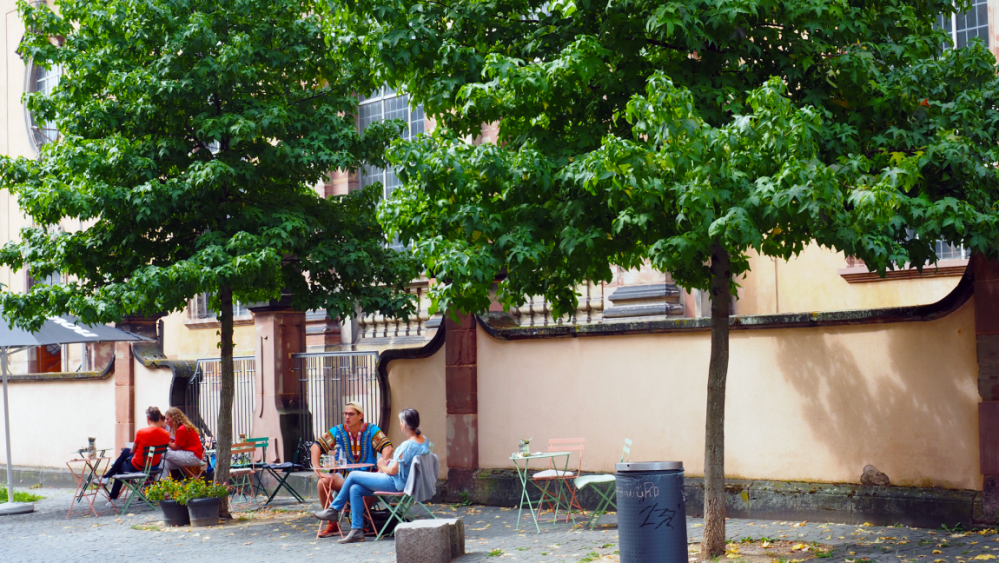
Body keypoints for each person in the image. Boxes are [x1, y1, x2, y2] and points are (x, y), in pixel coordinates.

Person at [317, 408, 431, 544]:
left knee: (353, 475)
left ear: (404, 424)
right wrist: (392, 462)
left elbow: (393, 471)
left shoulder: (408, 445)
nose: (400, 425)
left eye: (400, 422)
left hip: (396, 483)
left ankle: (333, 509)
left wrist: (382, 465)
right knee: (355, 489)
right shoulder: (423, 440)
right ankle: (356, 531)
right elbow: (404, 464)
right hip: (406, 482)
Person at [310, 401, 393, 538]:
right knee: (322, 483)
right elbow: (316, 446)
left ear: (360, 416)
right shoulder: (338, 431)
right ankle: (332, 522)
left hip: (367, 476)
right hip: (343, 476)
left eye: (351, 414)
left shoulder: (371, 430)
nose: (347, 417)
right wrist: (316, 468)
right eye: (345, 414)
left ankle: (363, 522)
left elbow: (387, 447)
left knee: (360, 486)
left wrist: (382, 467)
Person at [103, 406, 171, 500]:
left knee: (122, 462)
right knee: (126, 452)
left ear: (148, 418)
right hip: (154, 465)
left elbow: (133, 450)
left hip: (137, 466)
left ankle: (111, 492)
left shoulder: (141, 432)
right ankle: (108, 475)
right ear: (159, 418)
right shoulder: (166, 434)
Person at [162, 406, 205, 478]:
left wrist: (164, 440)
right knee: (163, 463)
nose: (166, 422)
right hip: (190, 455)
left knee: (162, 452)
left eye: (167, 419)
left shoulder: (182, 429)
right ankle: (164, 486)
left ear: (174, 418)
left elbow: (175, 447)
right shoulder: (182, 428)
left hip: (192, 456)